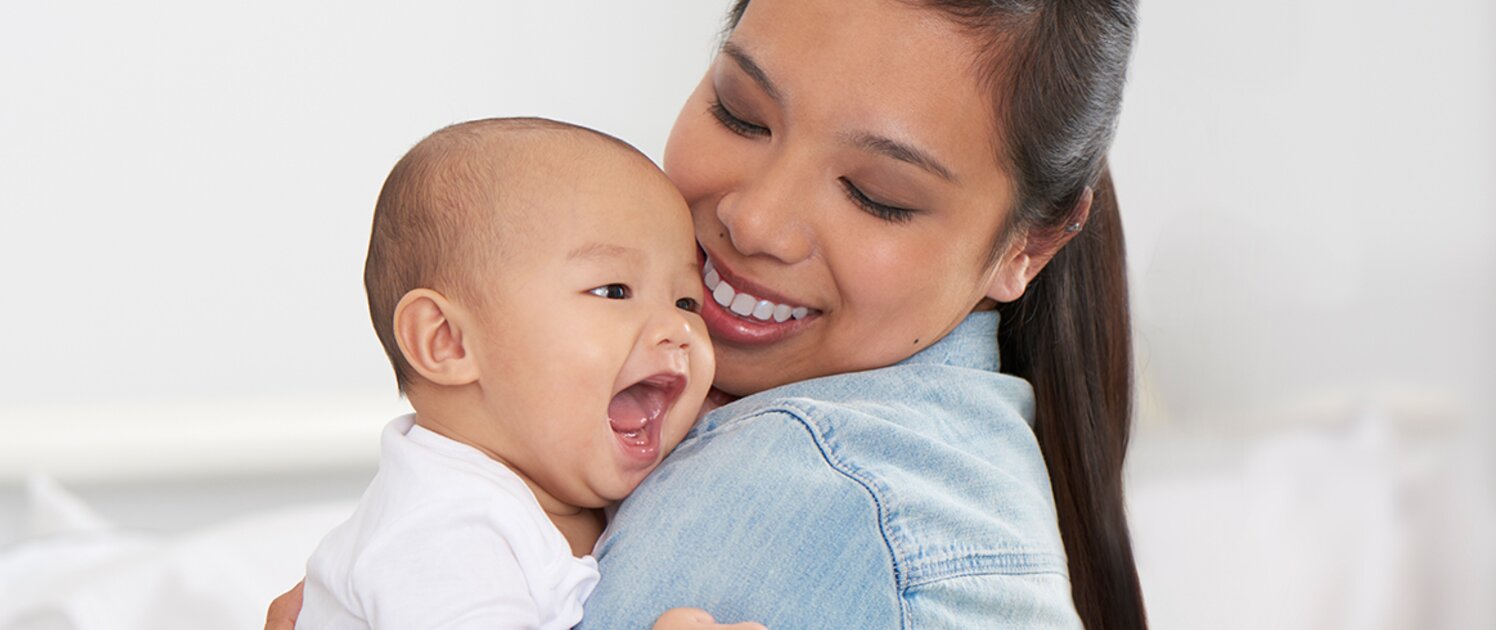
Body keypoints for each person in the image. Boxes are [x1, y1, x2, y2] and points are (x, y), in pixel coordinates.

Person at [273, 0, 1147, 626]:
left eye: (875, 194)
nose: (752, 220)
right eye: (739, 112)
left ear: (1025, 247)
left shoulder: (803, 482)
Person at [294, 117, 761, 629]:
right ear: (446, 341)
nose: (677, 328)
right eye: (613, 291)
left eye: (687, 300)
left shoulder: (566, 491)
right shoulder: (442, 531)